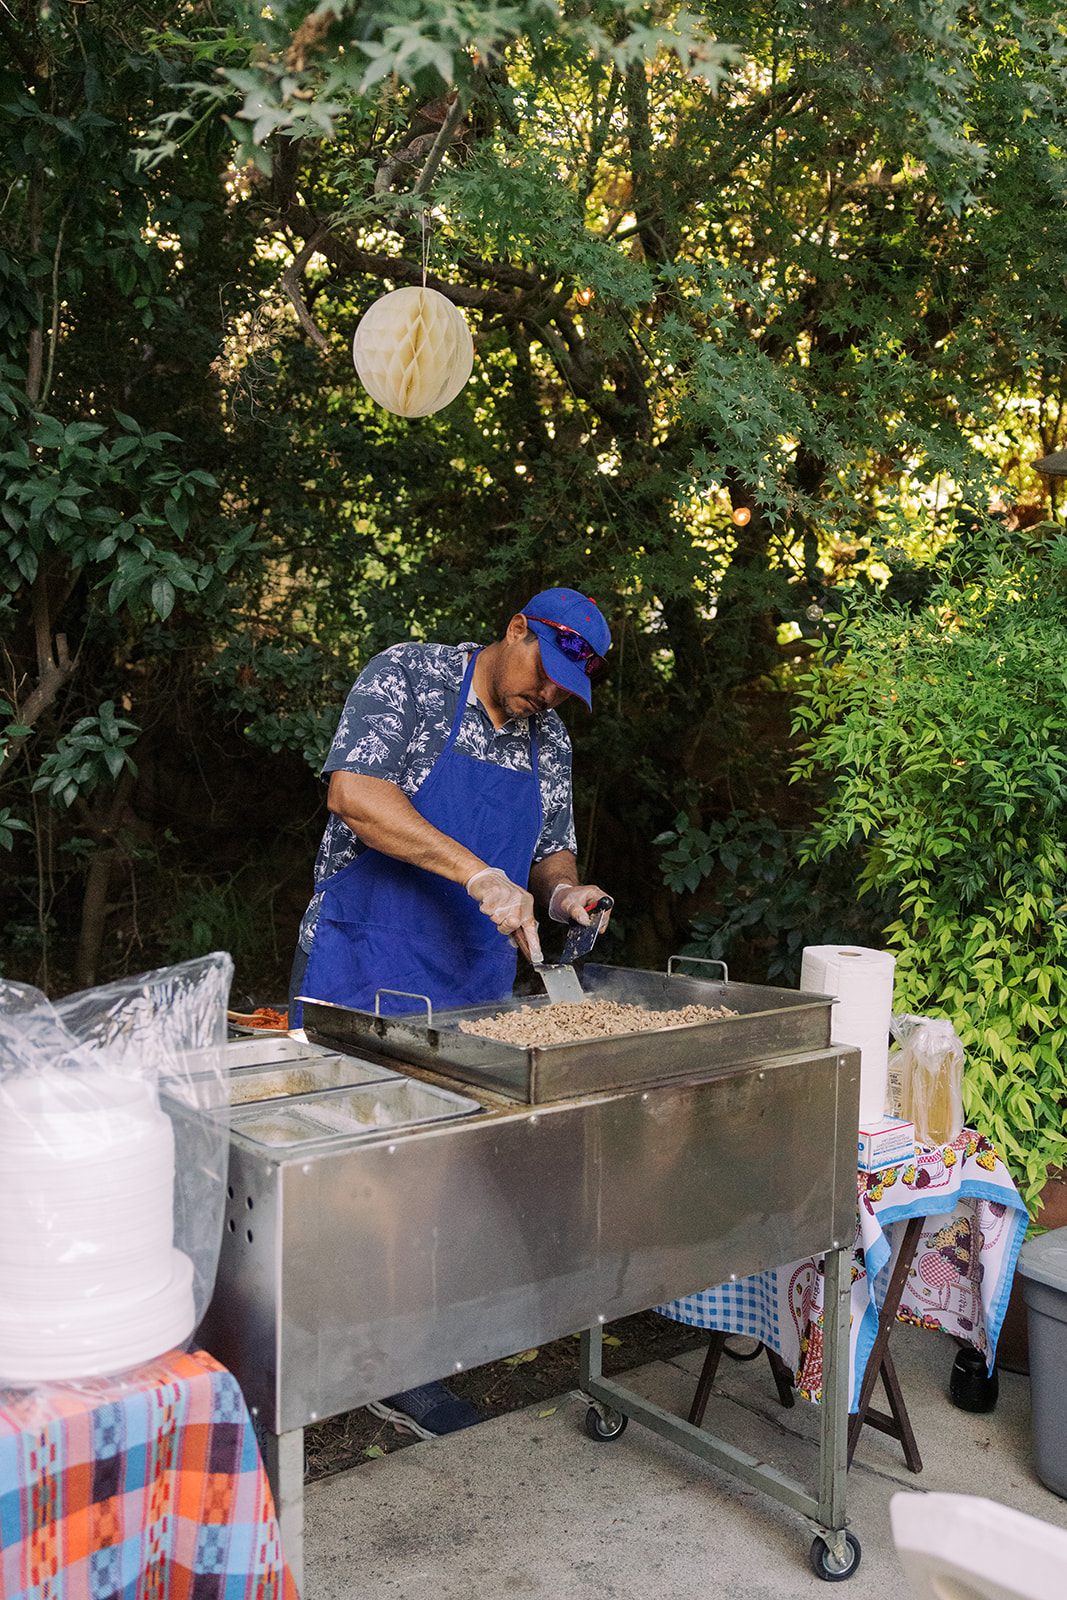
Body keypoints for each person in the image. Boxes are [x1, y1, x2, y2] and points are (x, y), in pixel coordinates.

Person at [287, 586, 613, 1437]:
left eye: (564, 693)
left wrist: (564, 890)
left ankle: (405, 1366)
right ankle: (297, 1356)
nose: (548, 698)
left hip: (470, 981)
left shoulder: (548, 737)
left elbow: (549, 847)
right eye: (547, 675)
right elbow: (355, 795)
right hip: (366, 958)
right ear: (515, 630)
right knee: (335, 1168)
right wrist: (476, 872)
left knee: (436, 1179)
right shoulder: (409, 679)